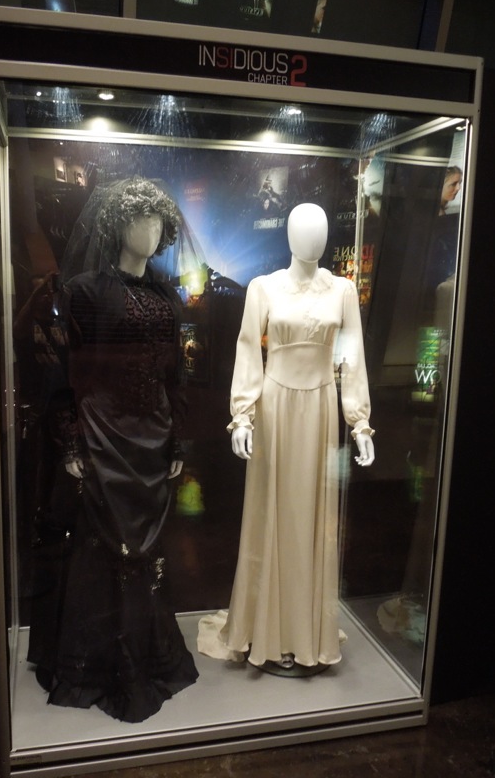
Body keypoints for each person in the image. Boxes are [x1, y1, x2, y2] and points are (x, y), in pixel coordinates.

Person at [30, 177, 198, 723]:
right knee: (99, 548)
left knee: (145, 554)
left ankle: (145, 653)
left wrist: (178, 436)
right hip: (103, 435)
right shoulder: (83, 292)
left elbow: (174, 375)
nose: (150, 230)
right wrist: (70, 438)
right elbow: (64, 373)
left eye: (157, 221)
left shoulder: (167, 297)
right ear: (117, 225)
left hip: (152, 437)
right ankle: (97, 663)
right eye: (139, 219)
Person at [198, 203, 374, 673]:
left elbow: (352, 355)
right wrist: (242, 415)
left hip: (321, 410)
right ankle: (267, 628)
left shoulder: (343, 290)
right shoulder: (264, 287)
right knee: (270, 513)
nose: (312, 238)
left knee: (314, 517)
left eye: (319, 230)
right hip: (275, 408)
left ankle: (305, 631)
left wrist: (359, 421)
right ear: (290, 236)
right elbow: (247, 352)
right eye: (303, 229)